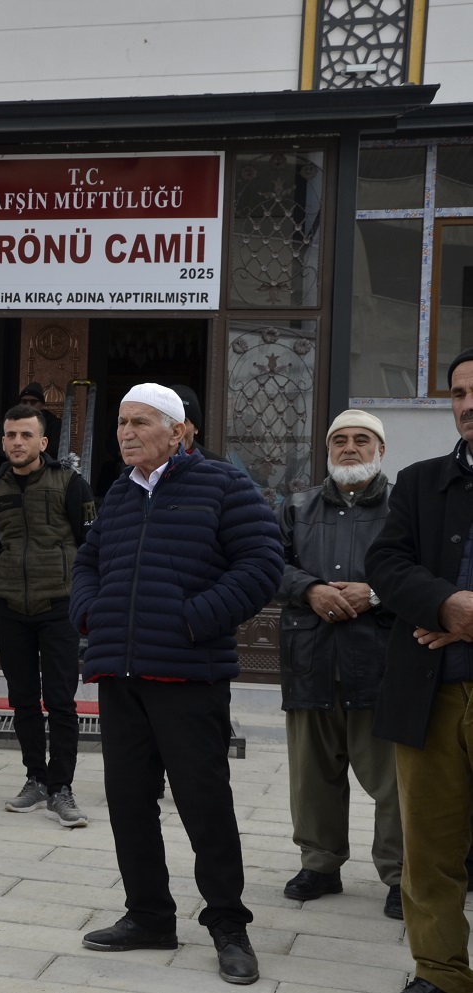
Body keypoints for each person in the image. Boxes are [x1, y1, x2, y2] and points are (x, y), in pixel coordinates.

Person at [70, 383, 282, 986]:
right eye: (121, 423)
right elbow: (87, 562)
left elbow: (263, 563)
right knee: (129, 802)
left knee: (204, 805)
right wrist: (90, 613)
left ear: (179, 430)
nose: (126, 433)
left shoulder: (223, 485)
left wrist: (195, 618)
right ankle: (149, 917)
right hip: (121, 675)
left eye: (140, 422)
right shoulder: (117, 493)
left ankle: (228, 926)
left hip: (189, 676)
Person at [366, 345, 473, 993]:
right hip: (429, 694)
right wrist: (444, 603)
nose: (467, 406)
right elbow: (386, 564)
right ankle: (440, 972)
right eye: (459, 393)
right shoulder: (419, 481)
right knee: (429, 851)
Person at [277, 410, 402, 919]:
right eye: (340, 441)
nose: (350, 449)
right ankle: (320, 863)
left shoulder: (405, 507)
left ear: (381, 450)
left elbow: (425, 569)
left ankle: (400, 875)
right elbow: (266, 563)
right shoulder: (298, 506)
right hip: (311, 658)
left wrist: (376, 592)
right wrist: (309, 589)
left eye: (362, 440)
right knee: (312, 774)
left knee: (395, 781)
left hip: (381, 663)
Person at [0, 404, 95, 829]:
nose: (17, 443)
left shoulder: (70, 483)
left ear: (43, 442)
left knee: (61, 701)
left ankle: (62, 788)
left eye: (26, 435)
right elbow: (0, 545)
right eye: (10, 435)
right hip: (10, 607)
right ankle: (36, 778)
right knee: (23, 700)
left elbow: (90, 542)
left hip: (58, 606)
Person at [169, 384, 224, 461]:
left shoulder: (218, 466)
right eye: (171, 420)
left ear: (196, 428)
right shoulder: (149, 463)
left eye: (184, 421)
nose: (177, 429)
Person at [17, 381, 64, 454]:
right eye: (24, 401)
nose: (28, 405)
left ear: (42, 405)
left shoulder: (53, 423)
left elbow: (55, 449)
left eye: (33, 402)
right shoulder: (12, 420)